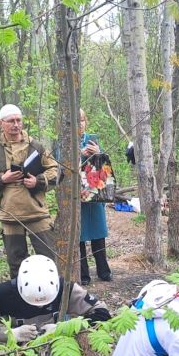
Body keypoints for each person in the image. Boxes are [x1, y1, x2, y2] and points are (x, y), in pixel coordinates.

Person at [0, 104, 59, 278]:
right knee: (16, 264)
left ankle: (52, 301)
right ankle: (20, 301)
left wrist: (37, 181)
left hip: (37, 213)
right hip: (10, 215)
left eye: (19, 120)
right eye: (11, 121)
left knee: (48, 260)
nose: (16, 124)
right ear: (0, 123)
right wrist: (1, 179)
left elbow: (56, 171)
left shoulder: (36, 146)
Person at [77, 109, 112, 285]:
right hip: (77, 196)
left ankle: (103, 271)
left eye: (82, 120)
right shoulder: (65, 142)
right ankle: (83, 275)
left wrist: (99, 153)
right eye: (76, 121)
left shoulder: (93, 140)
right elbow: (60, 165)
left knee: (99, 234)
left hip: (95, 194)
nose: (80, 124)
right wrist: (79, 155)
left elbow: (105, 167)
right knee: (80, 236)